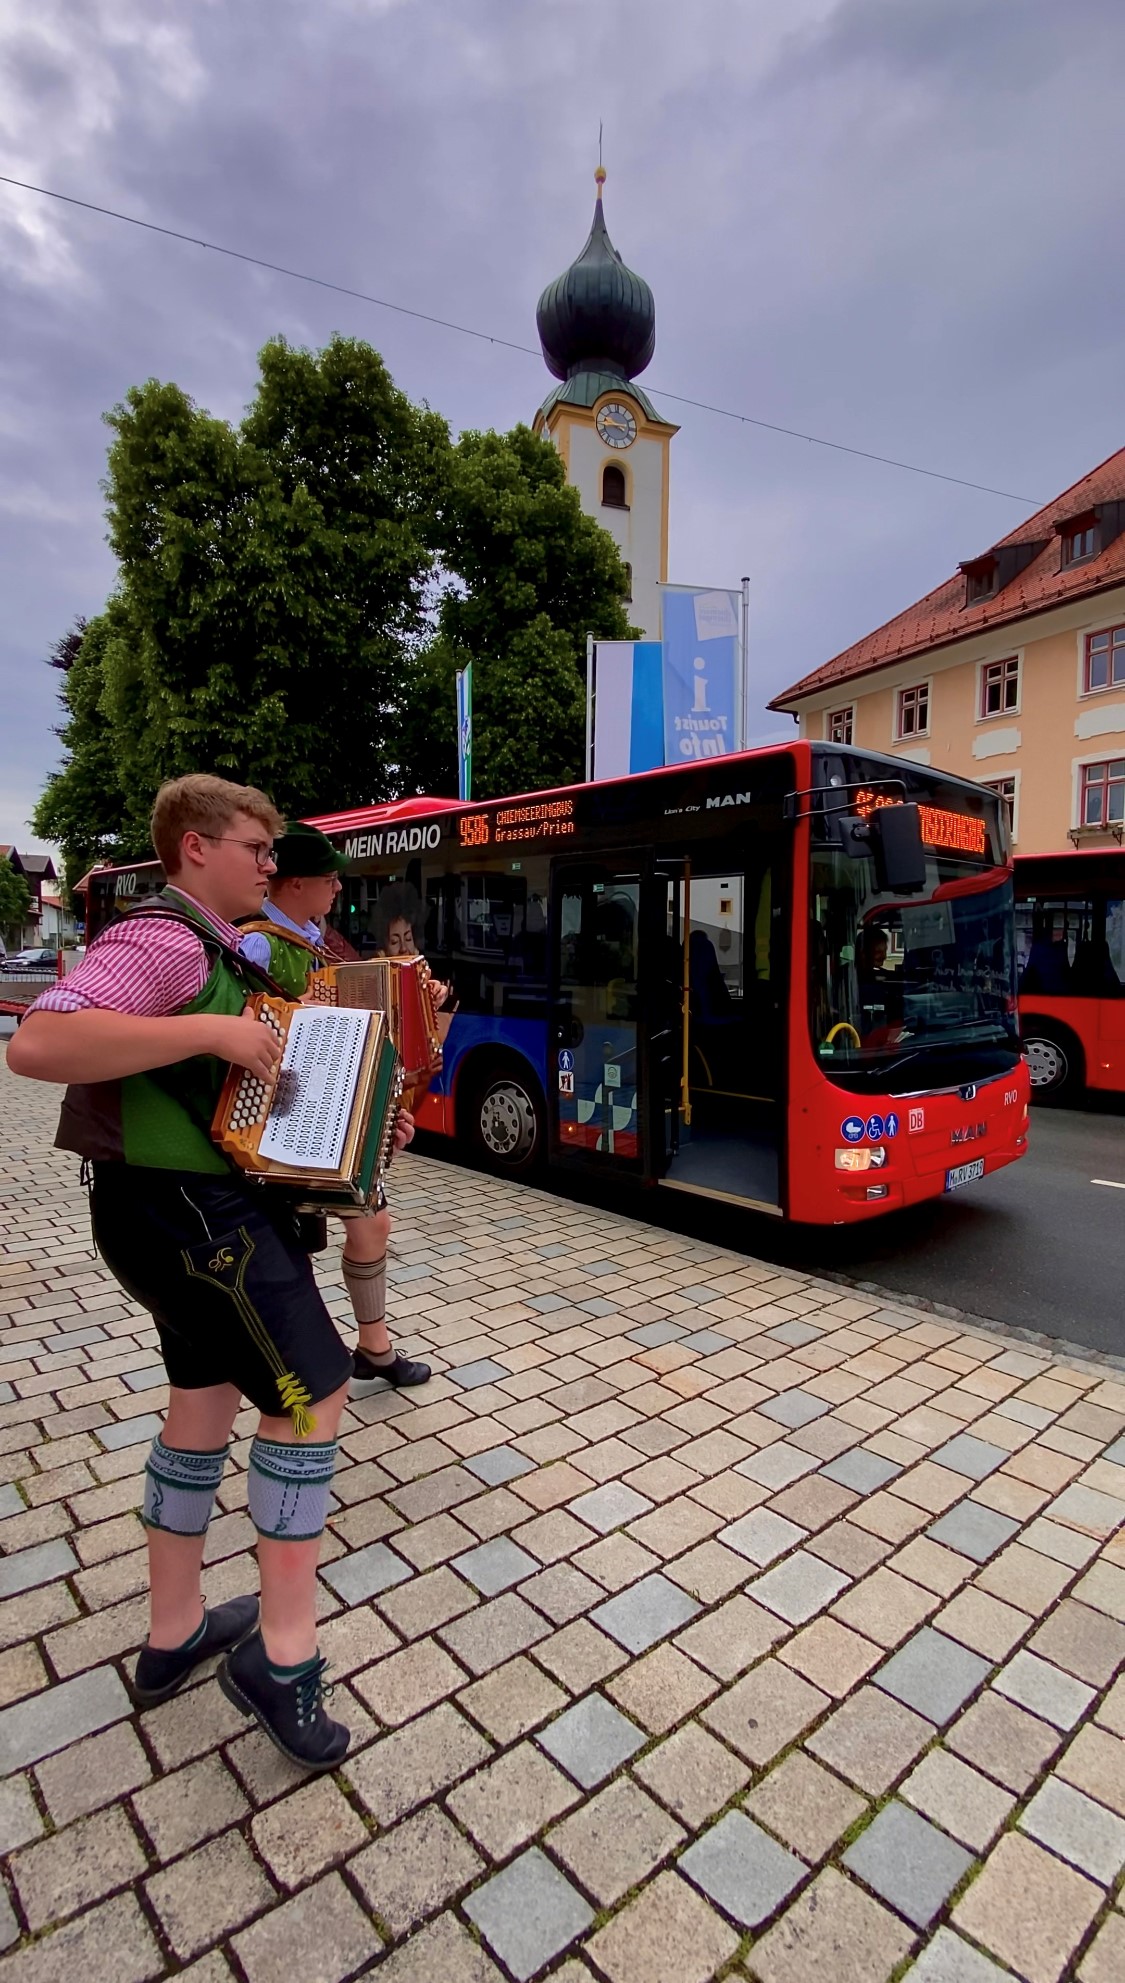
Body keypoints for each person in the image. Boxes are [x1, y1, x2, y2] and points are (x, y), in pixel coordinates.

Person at [7, 774, 413, 1771]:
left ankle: (175, 1629)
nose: (272, 864)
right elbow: (40, 1043)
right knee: (314, 1393)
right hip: (192, 1219)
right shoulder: (162, 940)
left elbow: (252, 1103)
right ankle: (283, 1657)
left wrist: (368, 1132)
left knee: (202, 1401)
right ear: (196, 849)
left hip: (183, 1217)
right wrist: (213, 1029)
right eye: (255, 847)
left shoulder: (233, 950)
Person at [239, 824, 430, 1389]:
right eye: (329, 879)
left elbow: (365, 1004)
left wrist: (420, 997)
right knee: (290, 1248)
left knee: (372, 1219)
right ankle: (302, 1359)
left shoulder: (320, 937)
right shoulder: (258, 942)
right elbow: (258, 1026)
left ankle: (372, 1346)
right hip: (279, 1119)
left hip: (327, 1114)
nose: (339, 890)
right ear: (294, 884)